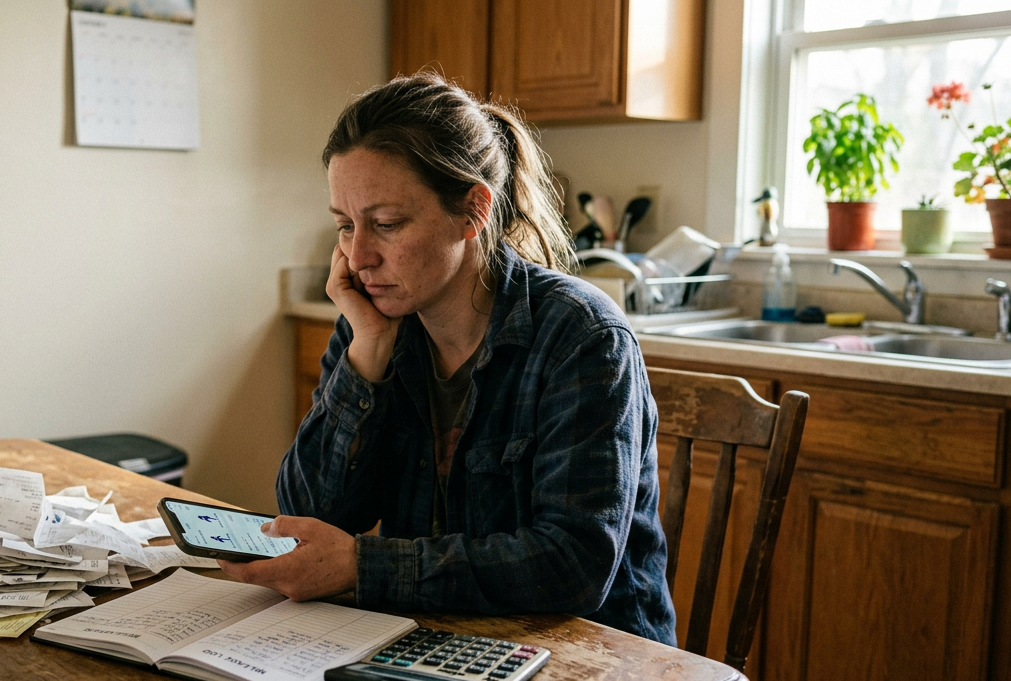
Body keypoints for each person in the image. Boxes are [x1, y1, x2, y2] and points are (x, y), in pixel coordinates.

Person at [219, 72, 675, 645]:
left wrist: (363, 566)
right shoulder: (374, 321)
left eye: (387, 224)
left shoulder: (580, 335)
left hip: (596, 664)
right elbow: (308, 514)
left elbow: (572, 565)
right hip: (439, 639)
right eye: (345, 225)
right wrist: (368, 353)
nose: (358, 256)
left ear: (473, 211)